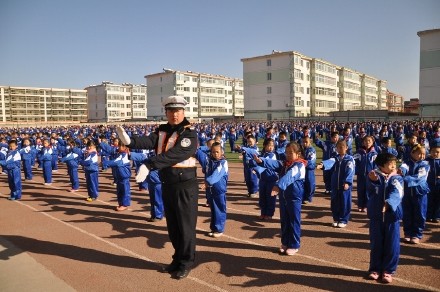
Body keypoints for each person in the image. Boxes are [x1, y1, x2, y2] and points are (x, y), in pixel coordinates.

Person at [116, 95, 198, 279]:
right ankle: (177, 259)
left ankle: (186, 262)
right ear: (166, 112)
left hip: (185, 185)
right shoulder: (162, 130)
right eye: (170, 111)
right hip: (168, 183)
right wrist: (130, 141)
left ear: (183, 112)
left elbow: (177, 154)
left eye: (177, 111)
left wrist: (150, 164)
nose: (174, 115)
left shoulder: (189, 133)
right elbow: (149, 141)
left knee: (186, 227)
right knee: (173, 227)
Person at [254, 142, 306, 255]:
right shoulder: (285, 164)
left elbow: (290, 176)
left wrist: (278, 186)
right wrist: (261, 161)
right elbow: (275, 163)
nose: (287, 155)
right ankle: (285, 242)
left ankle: (294, 244)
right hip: (284, 198)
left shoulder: (299, 166)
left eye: (290, 153)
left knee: (293, 221)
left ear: (298, 154)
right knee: (284, 221)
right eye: (286, 153)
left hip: (294, 198)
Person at [366, 153, 404, 284]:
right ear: (381, 166)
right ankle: (375, 269)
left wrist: (389, 203)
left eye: (394, 163)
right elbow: (370, 191)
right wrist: (373, 181)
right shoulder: (374, 175)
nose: (394, 166)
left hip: (392, 216)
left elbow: (397, 192)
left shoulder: (397, 178)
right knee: (376, 243)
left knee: (392, 244)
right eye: (390, 164)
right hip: (376, 215)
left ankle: (388, 271)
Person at [319, 140, 355, 228]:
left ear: (346, 148)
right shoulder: (335, 158)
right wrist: (322, 165)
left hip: (344, 185)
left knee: (344, 202)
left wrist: (347, 182)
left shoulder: (350, 159)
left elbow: (350, 171)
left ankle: (343, 219)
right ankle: (336, 218)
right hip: (335, 184)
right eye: (338, 147)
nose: (340, 149)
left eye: (342, 147)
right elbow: (328, 163)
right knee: (334, 202)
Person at [399, 144, 430, 244]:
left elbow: (420, 177)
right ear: (412, 153)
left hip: (420, 193)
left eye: (424, 154)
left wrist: (405, 178)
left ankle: (417, 234)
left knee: (420, 214)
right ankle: (407, 233)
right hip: (407, 193)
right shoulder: (406, 163)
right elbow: (402, 169)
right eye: (419, 153)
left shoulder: (425, 164)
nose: (422, 156)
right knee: (407, 213)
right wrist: (401, 172)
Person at [201, 142, 229, 237]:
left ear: (222, 152)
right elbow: (200, 153)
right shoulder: (209, 161)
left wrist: (207, 182)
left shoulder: (223, 163)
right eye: (213, 152)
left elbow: (217, 174)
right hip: (210, 190)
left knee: (219, 209)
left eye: (217, 152)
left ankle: (219, 229)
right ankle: (214, 228)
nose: (215, 154)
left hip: (219, 190)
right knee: (213, 209)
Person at [252, 138, 279, 220]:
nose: (271, 147)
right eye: (269, 145)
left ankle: (269, 214)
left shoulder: (272, 155)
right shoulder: (261, 155)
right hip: (263, 180)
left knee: (270, 197)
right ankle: (263, 212)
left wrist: (257, 169)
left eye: (272, 146)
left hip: (271, 179)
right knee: (262, 197)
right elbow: (257, 164)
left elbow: (265, 164)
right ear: (264, 146)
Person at [103, 141, 131, 211]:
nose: (119, 147)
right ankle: (121, 203)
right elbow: (110, 150)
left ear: (125, 147)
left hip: (124, 176)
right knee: (120, 191)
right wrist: (102, 143)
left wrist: (105, 163)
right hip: (119, 176)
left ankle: (125, 204)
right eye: (119, 146)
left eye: (120, 146)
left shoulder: (124, 155)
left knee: (125, 190)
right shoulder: (119, 154)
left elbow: (116, 162)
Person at [426, 141, 440, 223]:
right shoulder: (426, 161)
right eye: (433, 151)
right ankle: (429, 215)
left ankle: (436, 216)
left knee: (438, 201)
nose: (435, 153)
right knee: (429, 200)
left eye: (437, 152)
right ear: (430, 151)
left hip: (438, 184)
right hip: (429, 184)